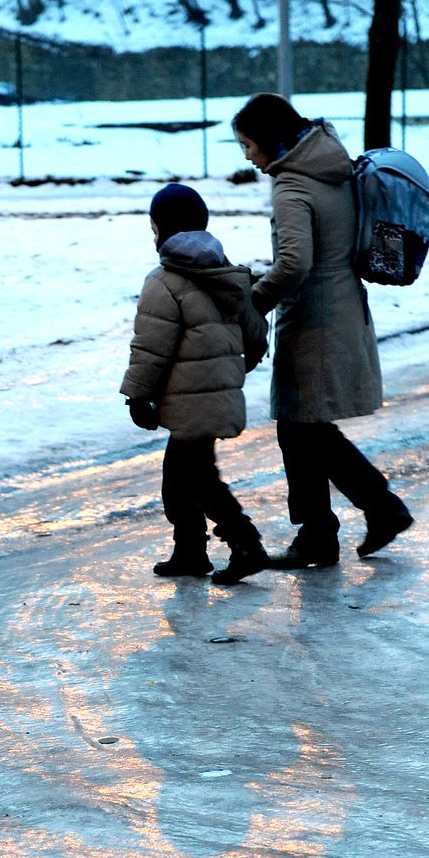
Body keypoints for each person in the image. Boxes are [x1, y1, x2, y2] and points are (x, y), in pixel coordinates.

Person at [232, 93, 413, 567]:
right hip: (343, 308)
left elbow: (294, 264)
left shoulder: (292, 186)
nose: (248, 156)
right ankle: (334, 526)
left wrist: (253, 304)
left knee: (302, 427)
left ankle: (359, 515)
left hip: (313, 321)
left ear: (271, 141)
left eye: (249, 145)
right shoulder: (332, 167)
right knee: (303, 428)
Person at [119, 183, 272, 585]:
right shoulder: (227, 273)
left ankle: (245, 544)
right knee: (181, 474)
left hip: (189, 401)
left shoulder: (164, 281)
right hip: (215, 394)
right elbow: (256, 331)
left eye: (154, 228)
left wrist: (138, 394)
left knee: (198, 478)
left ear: (162, 231)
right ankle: (190, 550)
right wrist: (236, 369)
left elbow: (152, 348)